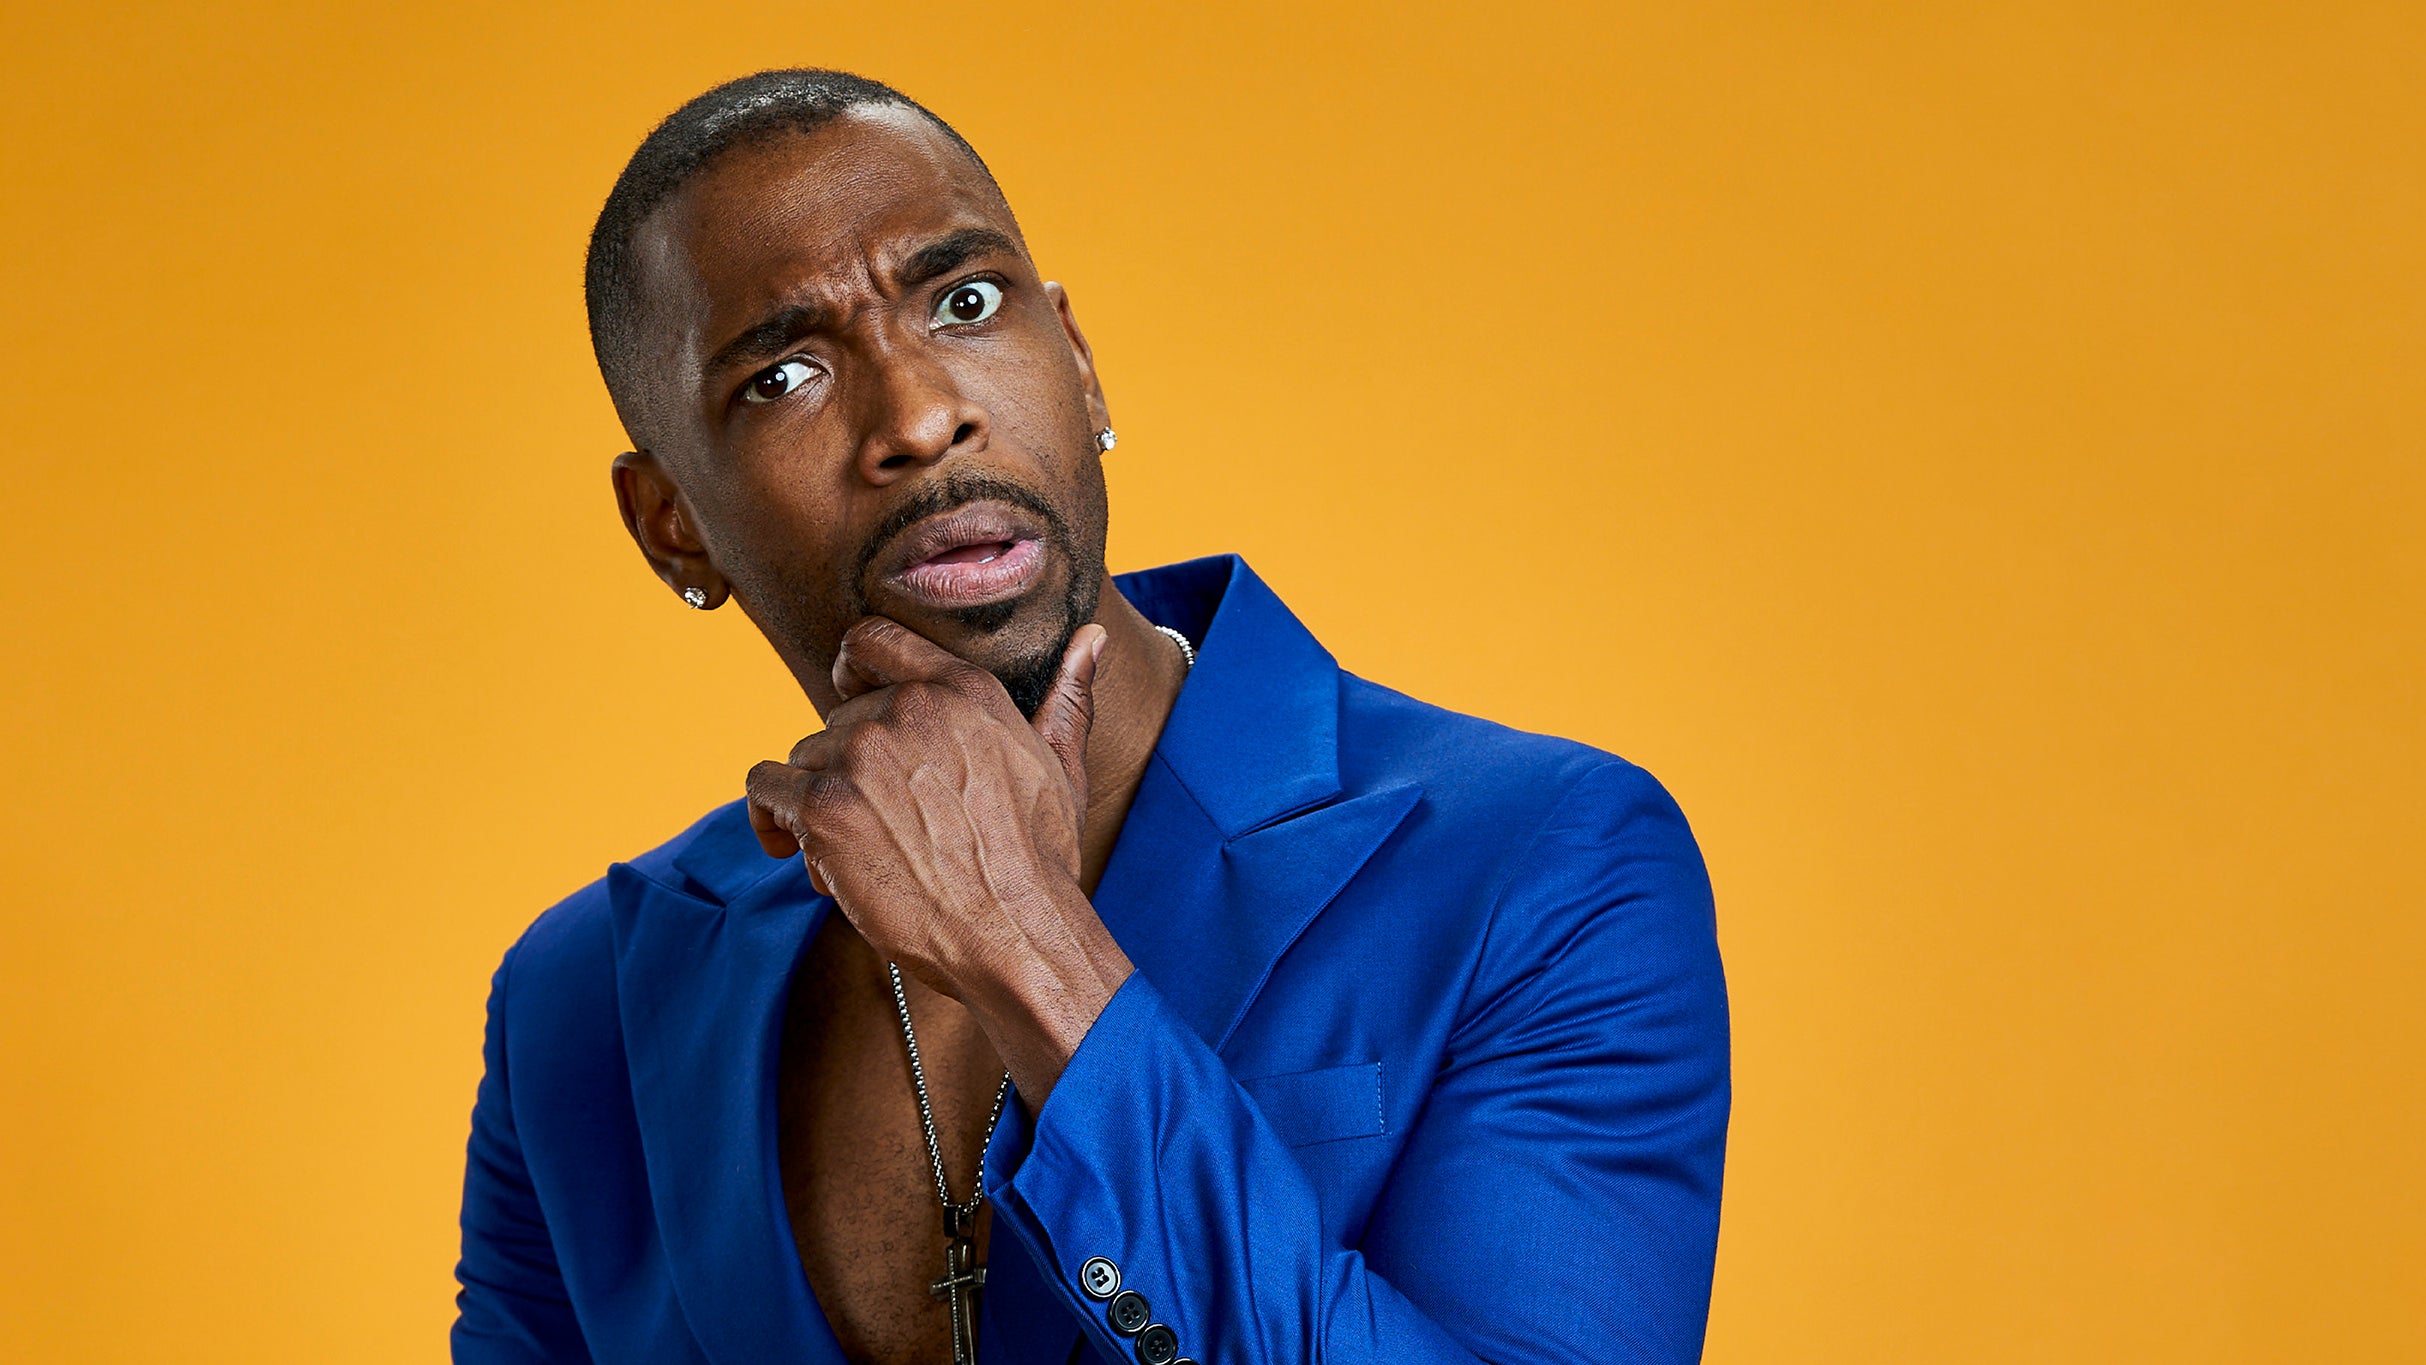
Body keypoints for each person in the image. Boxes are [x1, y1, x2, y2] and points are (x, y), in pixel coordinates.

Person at [452, 68, 1730, 1365]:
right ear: (671, 524)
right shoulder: (582, 1003)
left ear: (1078, 362)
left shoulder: (1542, 863)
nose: (920, 417)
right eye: (783, 375)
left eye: (963, 303)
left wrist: (1035, 955)